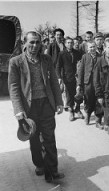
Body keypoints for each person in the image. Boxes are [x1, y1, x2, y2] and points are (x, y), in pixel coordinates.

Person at [8, 31, 65, 183]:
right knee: (34, 138)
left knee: (49, 137)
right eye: (31, 42)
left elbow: (53, 80)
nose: (34, 45)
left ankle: (52, 170)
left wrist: (59, 102)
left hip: (46, 104)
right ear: (24, 44)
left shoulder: (46, 59)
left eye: (37, 42)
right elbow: (13, 87)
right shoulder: (16, 62)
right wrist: (18, 110)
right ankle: (39, 164)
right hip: (29, 107)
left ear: (41, 44)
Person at [77, 41, 104, 128]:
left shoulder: (101, 57)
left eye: (93, 47)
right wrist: (79, 84)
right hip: (87, 83)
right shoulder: (85, 57)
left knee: (99, 101)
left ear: (96, 47)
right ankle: (88, 115)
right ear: (87, 48)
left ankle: (98, 121)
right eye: (90, 47)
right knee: (88, 100)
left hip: (98, 83)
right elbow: (81, 71)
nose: (92, 49)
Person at [56, 37, 83, 121]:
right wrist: (59, 77)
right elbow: (58, 66)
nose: (70, 44)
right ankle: (71, 110)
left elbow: (81, 64)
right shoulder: (62, 54)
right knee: (70, 94)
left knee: (79, 93)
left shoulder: (77, 53)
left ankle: (78, 109)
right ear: (65, 44)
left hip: (77, 76)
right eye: (68, 43)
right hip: (67, 77)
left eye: (71, 43)